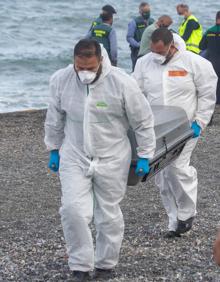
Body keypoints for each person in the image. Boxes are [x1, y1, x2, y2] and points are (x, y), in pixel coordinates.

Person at [44, 39, 156, 281]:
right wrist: (53, 148)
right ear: (74, 61)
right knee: (72, 210)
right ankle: (80, 266)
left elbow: (143, 121)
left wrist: (145, 155)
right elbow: (54, 117)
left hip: (113, 156)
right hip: (74, 154)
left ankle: (105, 263)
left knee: (108, 212)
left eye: (90, 68)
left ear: (101, 61)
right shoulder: (61, 80)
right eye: (80, 68)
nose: (84, 73)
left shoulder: (122, 82)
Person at [133, 28, 217, 238]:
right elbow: (135, 93)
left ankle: (187, 214)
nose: (157, 56)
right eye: (153, 51)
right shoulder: (144, 63)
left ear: (171, 46)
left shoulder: (194, 62)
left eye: (160, 52)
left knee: (177, 168)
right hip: (156, 127)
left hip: (185, 127)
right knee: (161, 175)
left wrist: (200, 121)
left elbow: (207, 93)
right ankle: (174, 221)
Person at [199, 11, 220, 105]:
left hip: (212, 63)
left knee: (214, 83)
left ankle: (214, 102)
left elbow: (201, 46)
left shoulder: (209, 31)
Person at [126, 2, 154, 70]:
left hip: (150, 51)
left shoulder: (152, 21)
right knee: (137, 70)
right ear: (140, 12)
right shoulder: (134, 22)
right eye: (145, 12)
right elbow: (129, 37)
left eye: (148, 11)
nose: (147, 13)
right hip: (137, 51)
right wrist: (138, 45)